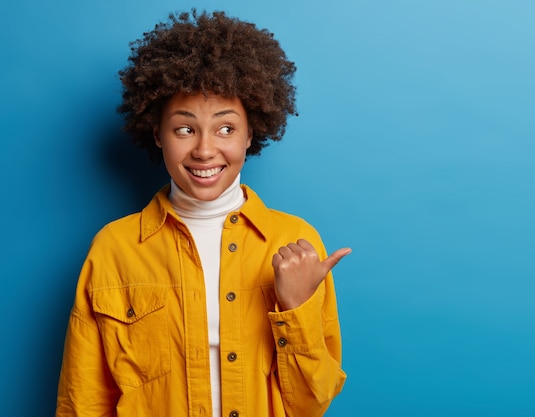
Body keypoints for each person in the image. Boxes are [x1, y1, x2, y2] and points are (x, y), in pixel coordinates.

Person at [56, 9, 350, 417]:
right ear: (158, 133)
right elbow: (82, 400)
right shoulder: (114, 249)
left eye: (226, 128)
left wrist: (295, 309)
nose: (205, 150)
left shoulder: (295, 243)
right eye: (185, 129)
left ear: (251, 133)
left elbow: (310, 404)